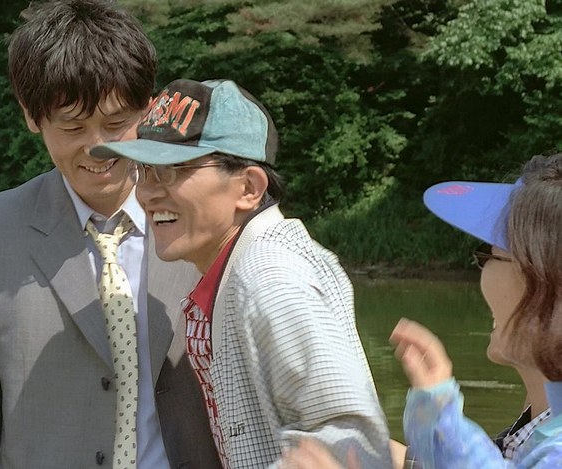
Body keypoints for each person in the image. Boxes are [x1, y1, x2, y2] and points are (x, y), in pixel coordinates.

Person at [0, 1, 220, 468]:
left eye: (116, 124)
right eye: (73, 127)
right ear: (32, 116)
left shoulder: (202, 219)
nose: (96, 147)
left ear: (149, 108)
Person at [91, 78, 392, 468]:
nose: (147, 193)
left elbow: (352, 436)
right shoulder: (235, 270)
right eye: (144, 171)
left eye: (173, 170)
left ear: (249, 188)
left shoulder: (269, 277)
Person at [287, 153, 562, 468]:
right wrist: (437, 411)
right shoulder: (545, 418)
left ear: (544, 276)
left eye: (489, 254)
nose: (482, 271)